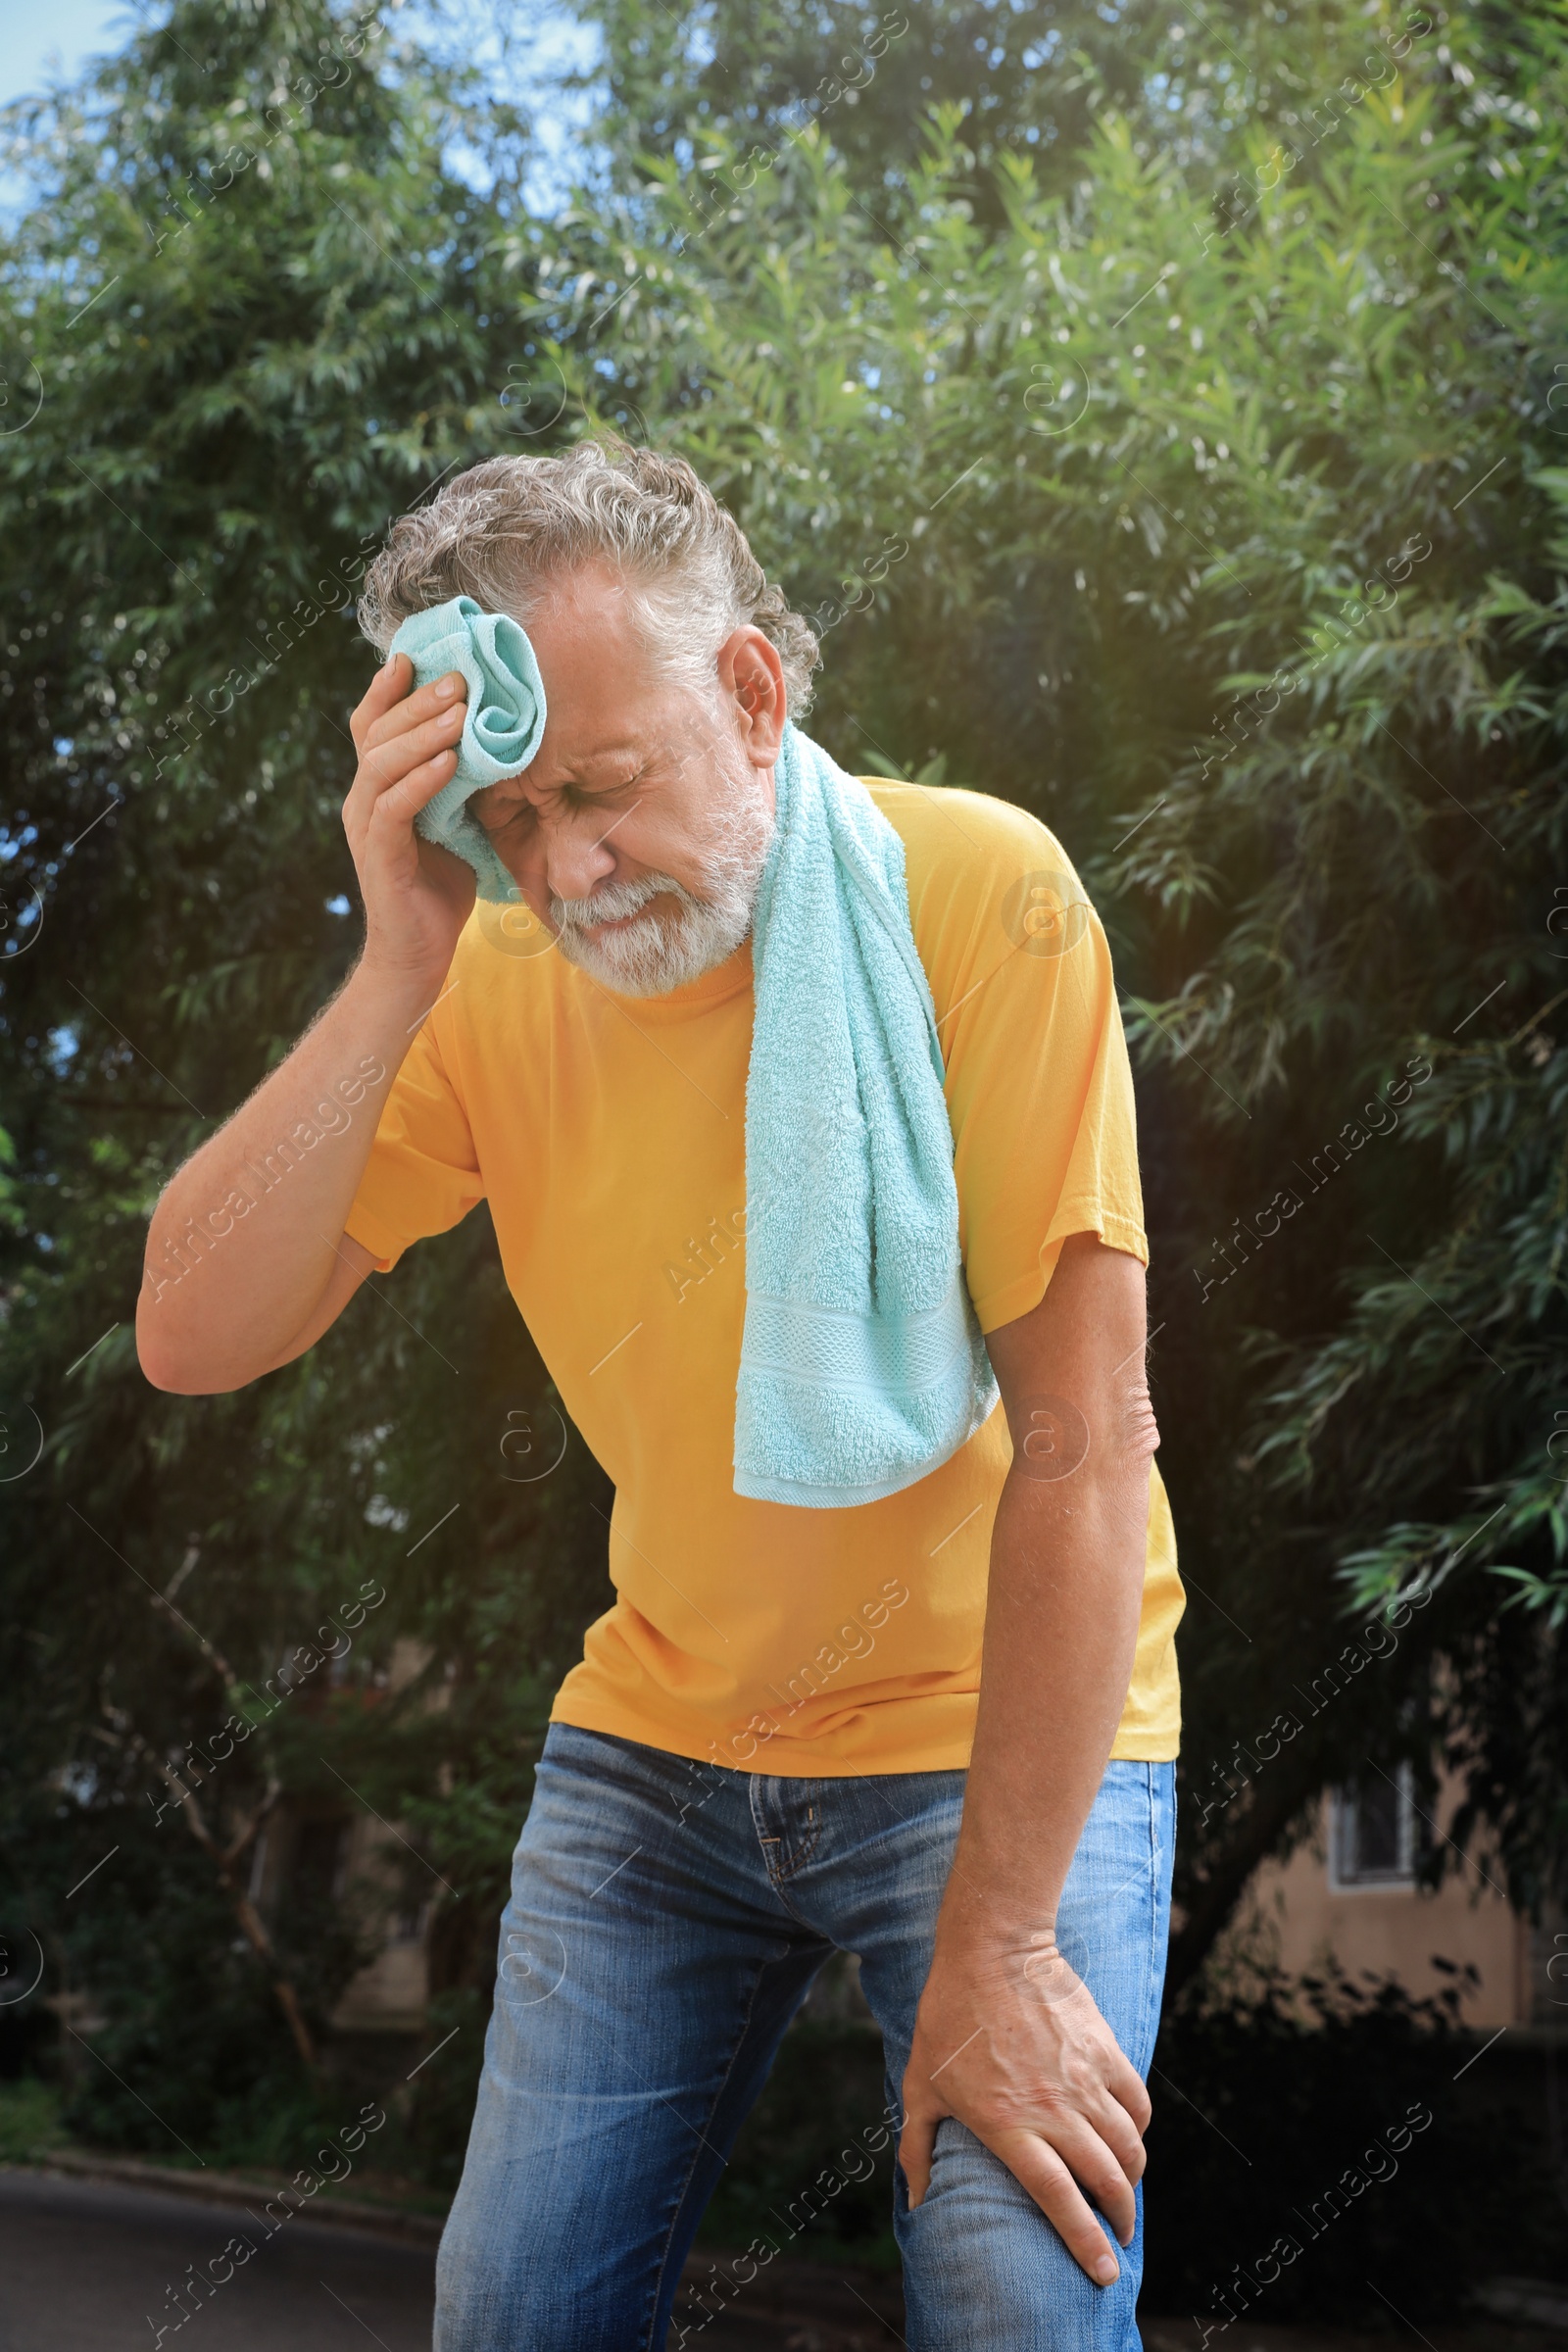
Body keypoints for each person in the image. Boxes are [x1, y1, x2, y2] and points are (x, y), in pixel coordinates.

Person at [137, 439, 1184, 2352]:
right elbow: (195, 1330)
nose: (570, 869)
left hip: (990, 1737)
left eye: (600, 792)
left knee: (1016, 2308)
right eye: (512, 824)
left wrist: (1004, 1943)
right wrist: (401, 960)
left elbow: (1084, 1434)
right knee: (515, 2320)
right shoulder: (492, 972)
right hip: (659, 1755)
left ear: (751, 692)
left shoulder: (979, 896)